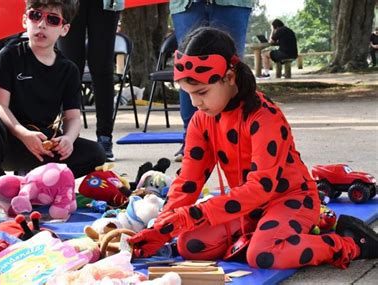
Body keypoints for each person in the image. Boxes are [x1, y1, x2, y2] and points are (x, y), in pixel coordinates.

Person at [128, 27, 378, 269]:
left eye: (201, 92)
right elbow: (188, 184)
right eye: (188, 94)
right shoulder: (202, 121)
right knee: (189, 245)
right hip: (246, 208)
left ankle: (348, 243)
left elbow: (261, 188)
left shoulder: (264, 117)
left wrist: (190, 216)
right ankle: (265, 238)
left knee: (264, 254)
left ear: (229, 77)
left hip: (291, 199)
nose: (195, 103)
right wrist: (160, 227)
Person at [0, 0, 106, 185]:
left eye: (52, 20)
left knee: (96, 153)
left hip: (44, 147)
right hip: (9, 141)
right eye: (36, 15)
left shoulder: (69, 69)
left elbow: (72, 117)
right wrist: (23, 134)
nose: (42, 24)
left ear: (64, 29)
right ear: (25, 20)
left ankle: (40, 184)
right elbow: (0, 105)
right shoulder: (9, 55)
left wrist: (68, 139)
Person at [169, 0, 253, 162]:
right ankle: (192, 141)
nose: (196, 103)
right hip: (186, 4)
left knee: (232, 69)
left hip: (233, 3)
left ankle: (240, 137)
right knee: (188, 70)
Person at [57, 0, 122, 161]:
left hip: (104, 4)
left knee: (102, 67)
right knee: (69, 67)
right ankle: (68, 137)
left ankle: (105, 138)